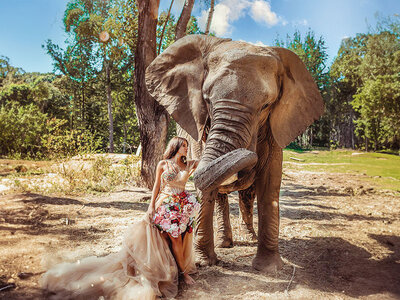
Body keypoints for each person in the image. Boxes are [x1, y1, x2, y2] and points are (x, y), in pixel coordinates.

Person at [40, 137, 200, 300]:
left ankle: (174, 267)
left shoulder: (187, 164)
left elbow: (204, 160)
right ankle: (183, 273)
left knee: (178, 237)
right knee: (174, 240)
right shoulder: (163, 164)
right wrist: (151, 206)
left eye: (187, 146)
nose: (186, 148)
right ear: (176, 147)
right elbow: (156, 187)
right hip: (165, 205)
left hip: (181, 205)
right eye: (184, 146)